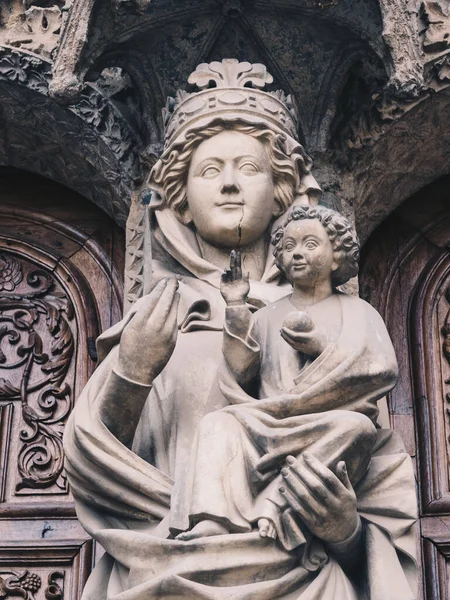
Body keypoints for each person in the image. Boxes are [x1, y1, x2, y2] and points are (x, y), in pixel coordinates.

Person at [63, 61, 417, 600]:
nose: (229, 183)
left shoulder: (329, 319)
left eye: (249, 168)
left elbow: (364, 452)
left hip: (304, 570)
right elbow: (96, 465)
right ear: (178, 194)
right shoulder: (156, 319)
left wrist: (345, 530)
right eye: (209, 171)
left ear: (280, 188)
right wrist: (134, 370)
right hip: (166, 563)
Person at [169, 206, 387, 563]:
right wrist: (237, 307)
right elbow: (242, 371)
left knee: (359, 427)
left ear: (337, 257)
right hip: (267, 419)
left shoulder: (357, 311)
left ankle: (278, 498)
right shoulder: (268, 315)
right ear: (280, 260)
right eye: (288, 246)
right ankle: (212, 519)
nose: (297, 252)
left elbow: (380, 368)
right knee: (217, 423)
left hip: (323, 423)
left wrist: (321, 348)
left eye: (311, 244)